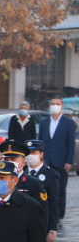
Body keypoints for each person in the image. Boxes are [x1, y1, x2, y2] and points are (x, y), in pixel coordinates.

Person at [39, 96, 75, 227]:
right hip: (47, 161)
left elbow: (70, 144)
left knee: (59, 190)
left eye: (57, 104)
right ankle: (45, 213)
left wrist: (69, 161)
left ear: (62, 105)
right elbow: (40, 142)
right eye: (53, 104)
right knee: (44, 189)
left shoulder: (68, 123)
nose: (55, 106)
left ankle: (59, 216)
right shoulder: (44, 123)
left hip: (61, 161)